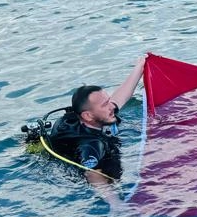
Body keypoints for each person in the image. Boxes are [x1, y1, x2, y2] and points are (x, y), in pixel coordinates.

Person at [45, 56, 146, 186]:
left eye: (108, 101)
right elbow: (92, 174)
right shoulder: (90, 145)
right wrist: (115, 203)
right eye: (105, 104)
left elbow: (120, 97)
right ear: (87, 116)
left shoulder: (98, 116)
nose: (111, 106)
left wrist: (139, 67)